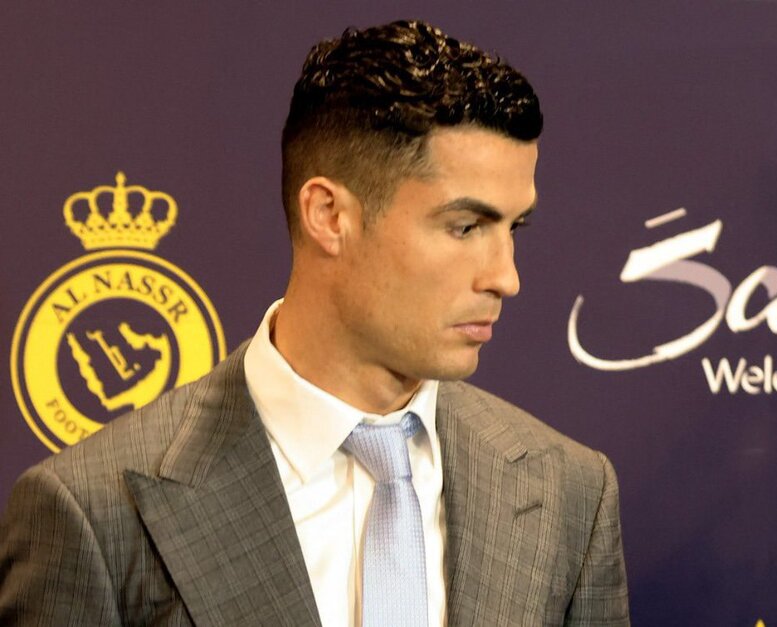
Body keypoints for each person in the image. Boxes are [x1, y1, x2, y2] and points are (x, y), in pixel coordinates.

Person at [0, 20, 629, 626]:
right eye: (465, 227)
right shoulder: (93, 515)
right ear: (329, 215)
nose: (505, 277)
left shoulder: (571, 493)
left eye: (514, 228)